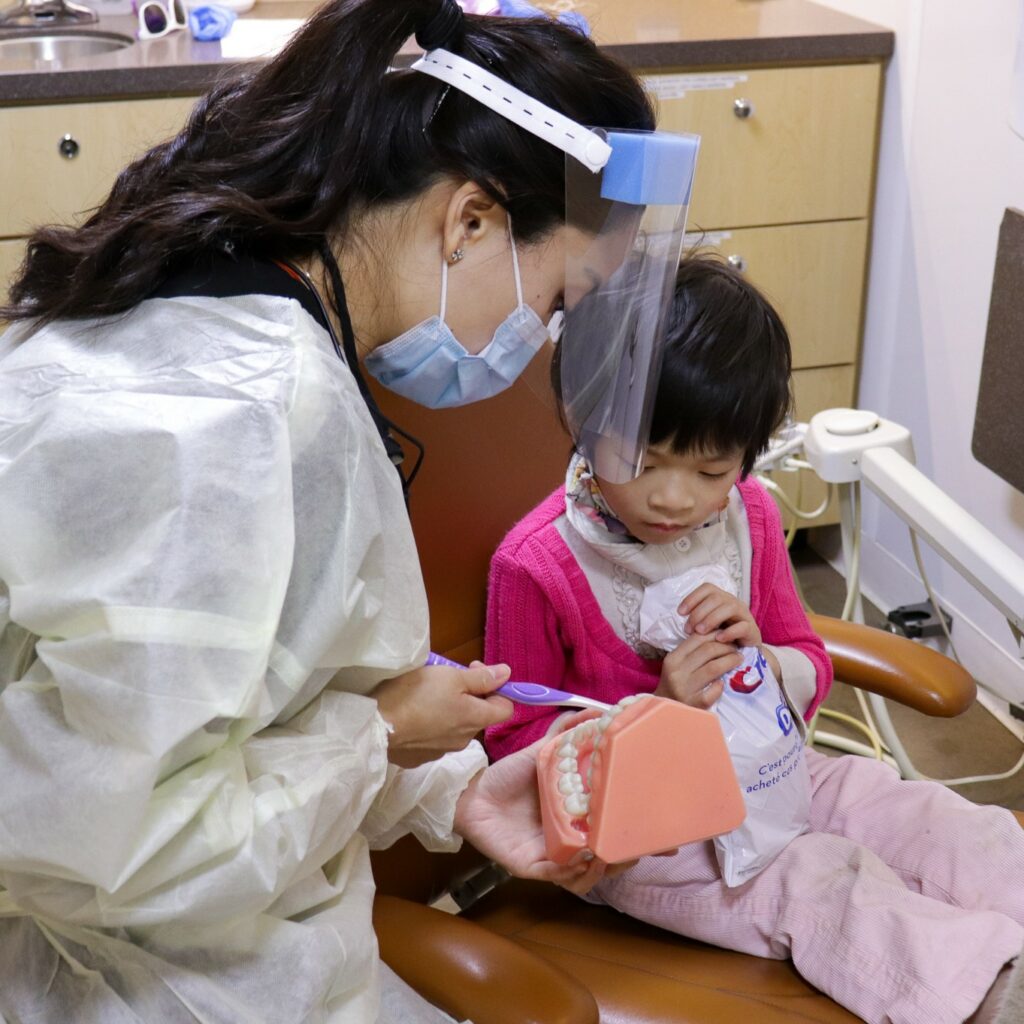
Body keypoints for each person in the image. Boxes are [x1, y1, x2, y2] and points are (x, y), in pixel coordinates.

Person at [0, 0, 674, 1020]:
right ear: (472, 219)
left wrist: (444, 790)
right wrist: (378, 733)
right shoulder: (217, 425)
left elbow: (247, 707)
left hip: (257, 943)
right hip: (148, 984)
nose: (544, 338)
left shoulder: (242, 315)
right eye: (562, 297)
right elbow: (115, 847)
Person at [483, 255, 1024, 1024]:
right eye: (641, 460)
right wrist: (657, 715)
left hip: (769, 768)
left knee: (912, 811)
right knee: (817, 881)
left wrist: (764, 658)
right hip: (642, 839)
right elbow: (518, 757)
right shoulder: (537, 565)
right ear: (584, 420)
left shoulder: (749, 518)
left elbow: (807, 658)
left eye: (710, 469)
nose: (675, 498)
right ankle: (994, 996)